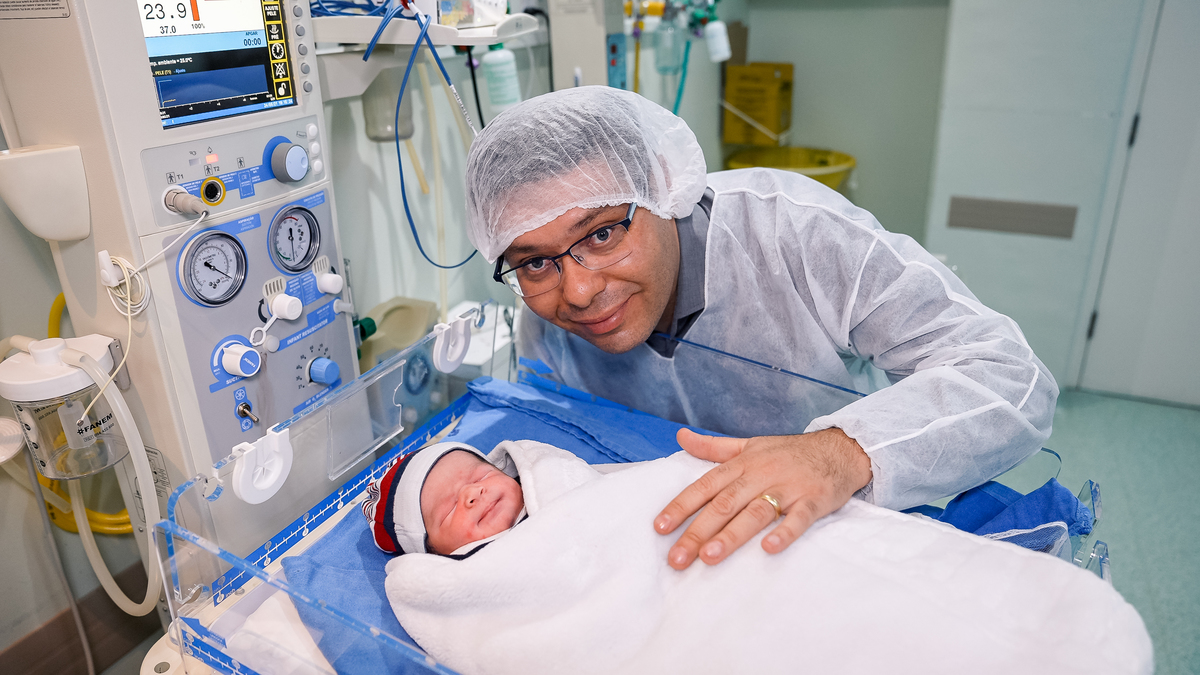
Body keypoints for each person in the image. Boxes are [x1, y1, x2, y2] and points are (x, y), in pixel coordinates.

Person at [463, 86, 1058, 572]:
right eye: (534, 262)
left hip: (831, 539)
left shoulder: (794, 232)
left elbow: (1011, 376)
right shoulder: (545, 324)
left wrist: (836, 455)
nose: (578, 291)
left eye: (601, 235)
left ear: (662, 189)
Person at [361, 442, 526, 557]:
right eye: (451, 508)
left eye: (481, 477)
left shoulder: (540, 480)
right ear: (433, 553)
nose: (473, 493)